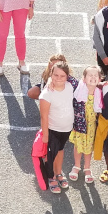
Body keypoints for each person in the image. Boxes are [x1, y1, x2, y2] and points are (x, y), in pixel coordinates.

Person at [38, 57, 77, 194]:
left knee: (60, 150)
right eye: (55, 75)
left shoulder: (70, 86)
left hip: (66, 128)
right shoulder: (46, 94)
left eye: (62, 76)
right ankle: (51, 176)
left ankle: (58, 172)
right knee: (51, 155)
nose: (59, 78)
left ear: (67, 76)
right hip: (52, 129)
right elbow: (44, 116)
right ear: (51, 74)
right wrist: (45, 135)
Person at [68, 66, 102, 185]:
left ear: (99, 79)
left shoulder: (100, 92)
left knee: (88, 147)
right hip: (79, 123)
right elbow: (68, 78)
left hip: (91, 126)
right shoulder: (78, 89)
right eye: (90, 75)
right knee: (78, 145)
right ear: (84, 78)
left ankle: (87, 168)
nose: (93, 77)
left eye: (95, 75)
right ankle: (77, 165)